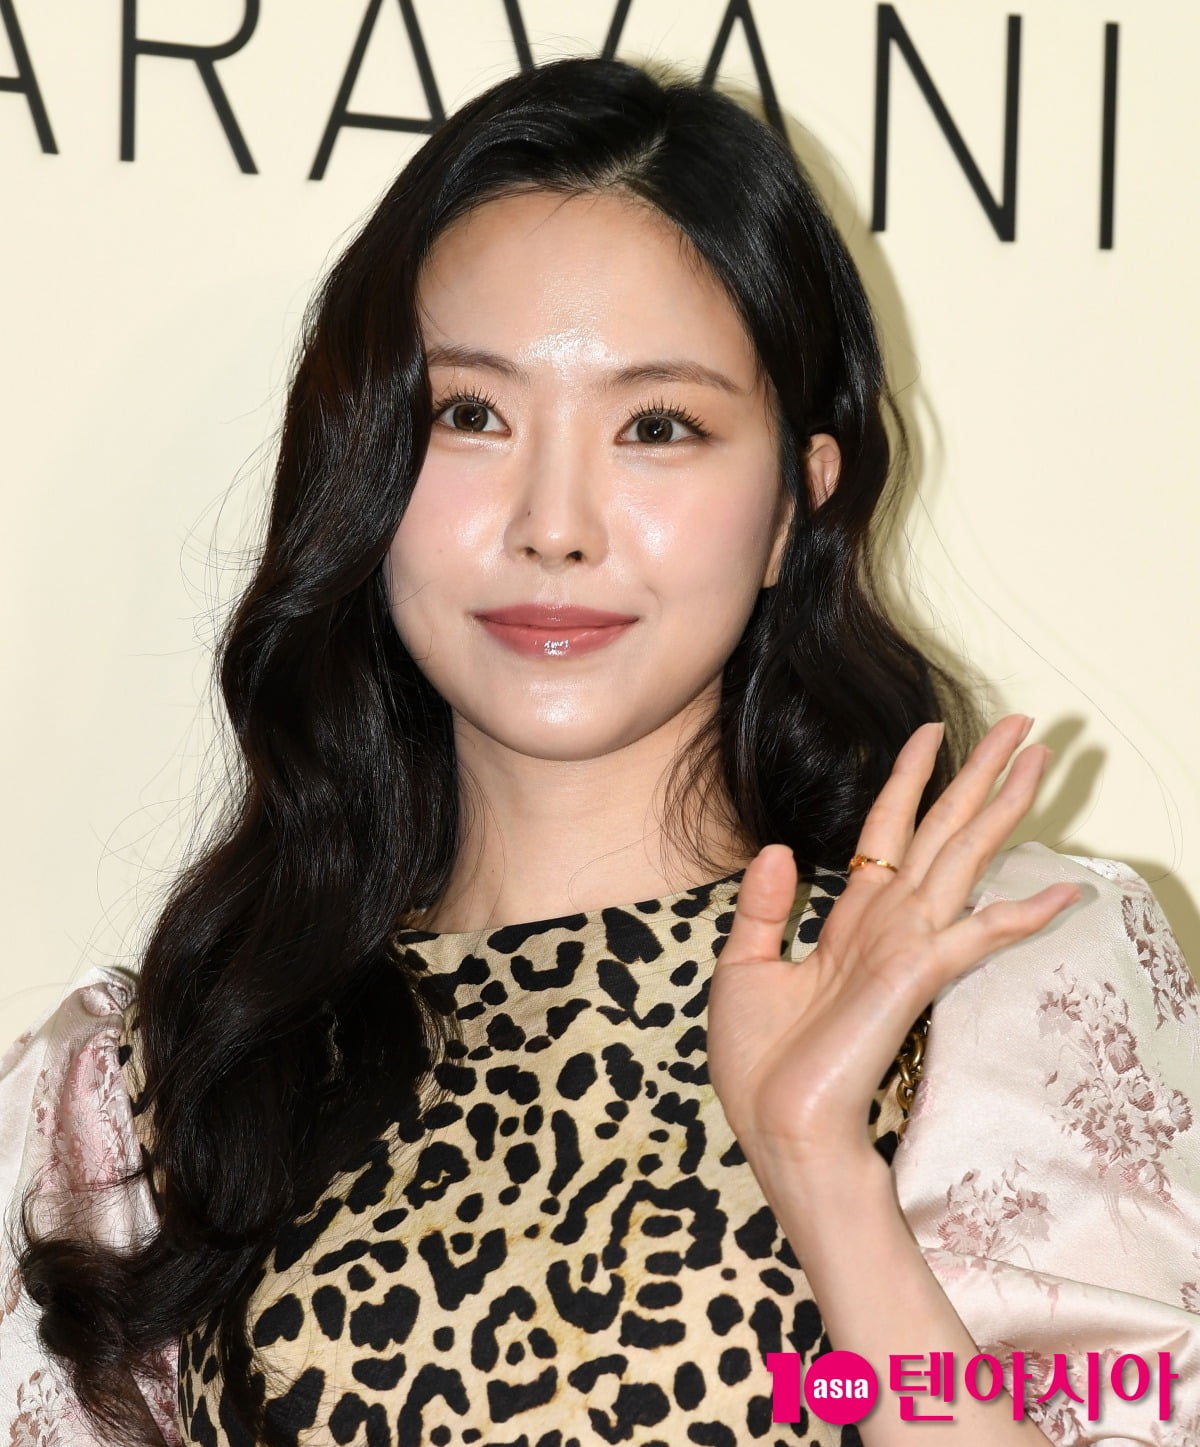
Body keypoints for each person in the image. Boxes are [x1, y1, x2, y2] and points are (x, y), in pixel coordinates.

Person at [1, 54, 1197, 1447]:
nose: (555, 526)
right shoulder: (160, 1080)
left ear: (797, 505)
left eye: (658, 426)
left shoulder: (982, 979)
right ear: (363, 466)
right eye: (469, 416)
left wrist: (821, 1168)